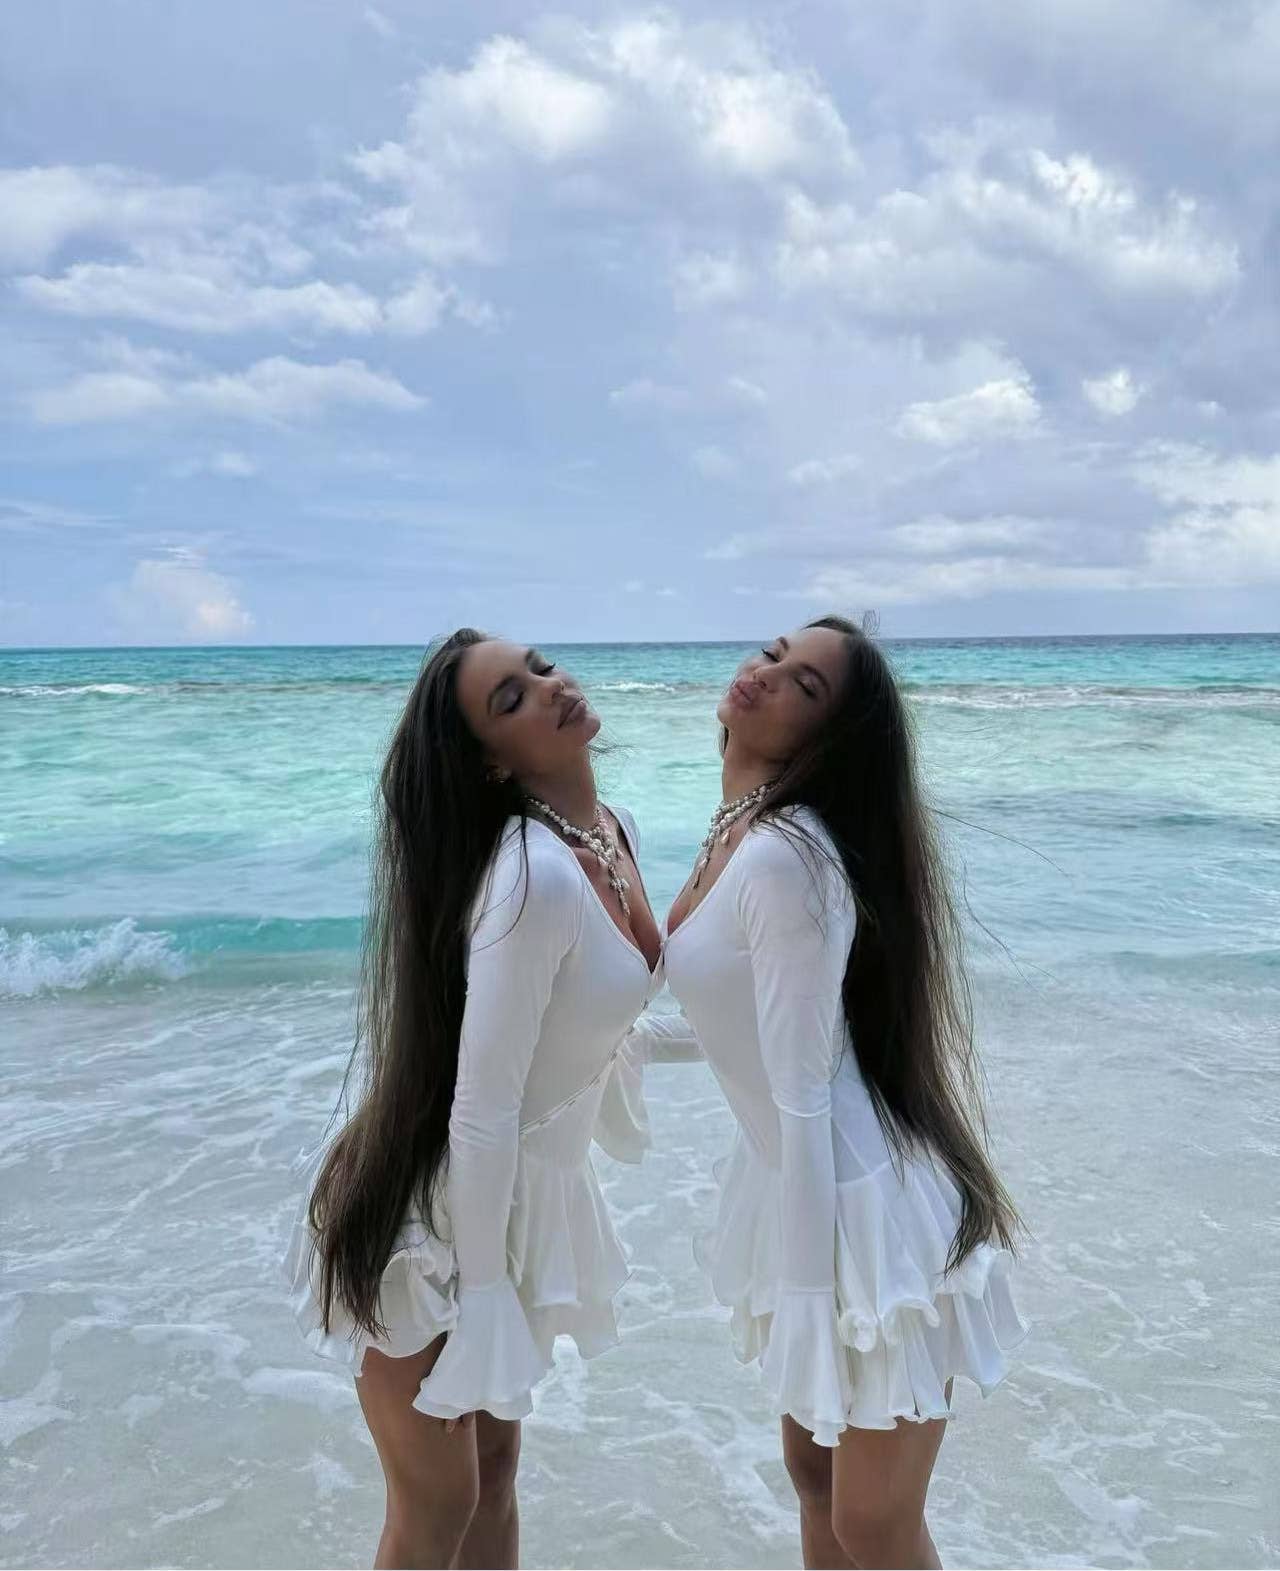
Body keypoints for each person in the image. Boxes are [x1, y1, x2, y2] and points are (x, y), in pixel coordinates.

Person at [285, 628, 663, 1569]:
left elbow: (596, 1027)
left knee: (495, 1473)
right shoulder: (533, 875)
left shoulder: (611, 831)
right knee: (437, 1507)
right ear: (491, 762)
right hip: (439, 1220)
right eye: (511, 699)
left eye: (539, 666)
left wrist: (773, 1051)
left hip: (512, 1202)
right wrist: (486, 1293)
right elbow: (483, 1108)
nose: (549, 686)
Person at [662, 616, 1029, 1570]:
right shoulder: (740, 834)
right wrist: (609, 1051)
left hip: (862, 1213)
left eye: (805, 685)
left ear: (830, 741)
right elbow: (747, 1021)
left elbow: (801, 1090)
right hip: (808, 1188)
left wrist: (804, 1295)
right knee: (814, 1477)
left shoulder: (786, 855)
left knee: (872, 1520)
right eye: (774, 653)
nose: (768, 673)